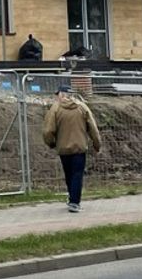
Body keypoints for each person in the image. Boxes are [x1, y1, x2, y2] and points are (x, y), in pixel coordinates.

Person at [42, 85, 102, 213]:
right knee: (77, 174)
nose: (56, 97)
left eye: (57, 94)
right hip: (80, 148)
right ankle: (74, 202)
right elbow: (93, 128)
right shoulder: (82, 107)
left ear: (61, 95)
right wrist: (97, 144)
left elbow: (48, 131)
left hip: (63, 148)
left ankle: (72, 199)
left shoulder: (55, 109)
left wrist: (51, 143)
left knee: (69, 174)